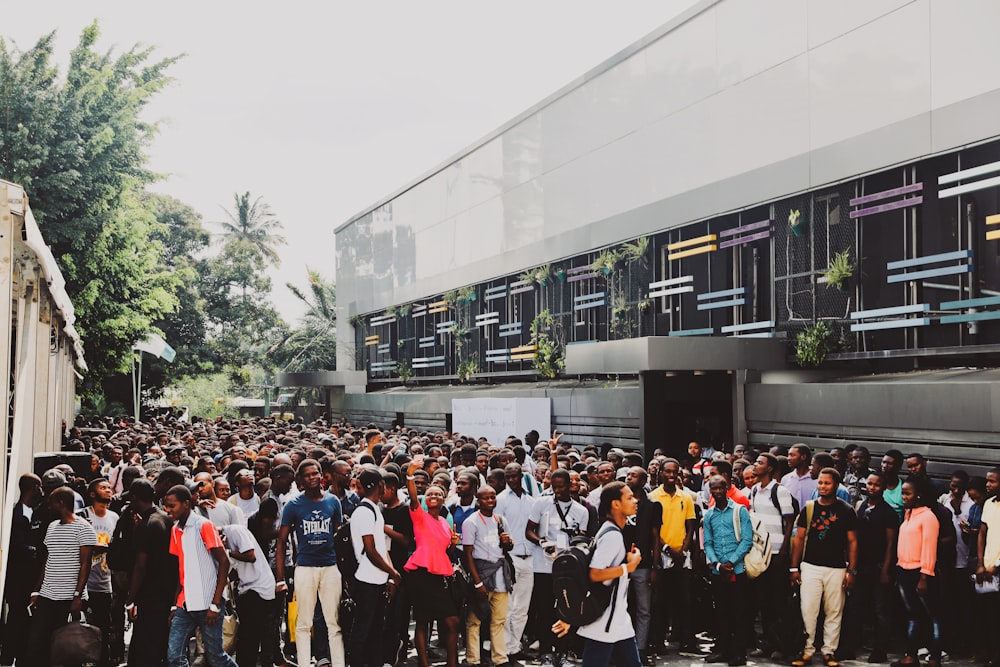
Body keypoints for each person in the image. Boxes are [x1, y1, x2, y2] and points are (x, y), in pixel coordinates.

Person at [551, 481, 642, 667]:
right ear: (616, 504)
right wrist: (628, 567)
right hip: (604, 623)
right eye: (629, 497)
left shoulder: (611, 531)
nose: (635, 501)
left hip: (618, 620)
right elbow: (595, 574)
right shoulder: (612, 536)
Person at [276, 459, 345, 667]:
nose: (313, 477)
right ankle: (305, 663)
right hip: (305, 568)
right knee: (304, 623)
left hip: (330, 567)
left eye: (316, 473)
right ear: (300, 480)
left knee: (334, 622)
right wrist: (280, 579)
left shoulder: (333, 501)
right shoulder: (293, 505)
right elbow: (282, 541)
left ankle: (339, 663)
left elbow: (338, 535)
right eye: (308, 475)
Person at [789, 468, 859, 667]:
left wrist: (851, 571)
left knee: (834, 611)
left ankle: (829, 651)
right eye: (820, 483)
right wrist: (793, 569)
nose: (822, 486)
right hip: (810, 567)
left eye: (827, 483)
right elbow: (799, 538)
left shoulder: (846, 510)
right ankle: (806, 650)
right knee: (808, 610)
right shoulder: (809, 508)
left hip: (836, 569)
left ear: (836, 485)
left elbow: (853, 542)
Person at [162, 484, 237, 667]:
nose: (167, 510)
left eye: (172, 506)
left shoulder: (203, 525)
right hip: (185, 604)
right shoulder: (175, 530)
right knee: (174, 656)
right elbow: (181, 568)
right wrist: (174, 604)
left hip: (208, 603)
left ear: (186, 504)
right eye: (166, 506)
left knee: (216, 657)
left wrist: (215, 603)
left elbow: (224, 562)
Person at [26, 486, 99, 667]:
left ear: (61, 503)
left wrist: (77, 595)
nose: (49, 506)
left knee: (67, 646)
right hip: (47, 594)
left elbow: (85, 564)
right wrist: (37, 591)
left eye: (52, 502)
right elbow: (48, 559)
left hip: (69, 597)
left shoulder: (83, 528)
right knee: (38, 641)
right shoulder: (51, 527)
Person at [526, 468, 590, 667]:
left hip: (568, 569)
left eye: (561, 487)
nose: (557, 491)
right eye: (554, 487)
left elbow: (583, 539)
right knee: (544, 610)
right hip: (544, 566)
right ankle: (546, 652)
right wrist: (542, 542)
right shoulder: (541, 503)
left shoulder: (581, 511)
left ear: (570, 485)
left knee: (565, 611)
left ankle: (562, 653)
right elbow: (529, 531)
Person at [404, 455, 462, 667]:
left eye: (438, 493)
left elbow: (446, 553)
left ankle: (452, 663)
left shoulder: (446, 523)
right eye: (430, 493)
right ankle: (425, 664)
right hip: (421, 574)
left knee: (452, 621)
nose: (434, 496)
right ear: (425, 499)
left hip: (440, 576)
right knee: (422, 621)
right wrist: (410, 474)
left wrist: (454, 543)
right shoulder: (419, 516)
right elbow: (412, 496)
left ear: (444, 498)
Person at [840, 472, 897, 663]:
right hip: (860, 566)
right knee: (854, 607)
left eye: (876, 485)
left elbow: (890, 543)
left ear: (883, 487)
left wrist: (886, 569)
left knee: (880, 610)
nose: (872, 487)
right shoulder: (860, 505)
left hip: (879, 566)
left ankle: (879, 650)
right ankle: (849, 647)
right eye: (870, 484)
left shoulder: (888, 513)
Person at [349, 467, 401, 667]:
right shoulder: (363, 511)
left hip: (378, 578)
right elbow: (370, 550)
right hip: (366, 579)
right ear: (380, 485)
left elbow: (381, 546)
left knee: (376, 628)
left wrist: (389, 575)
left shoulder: (374, 510)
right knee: (363, 628)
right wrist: (393, 572)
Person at [648, 458, 699, 656]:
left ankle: (687, 643)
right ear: (660, 473)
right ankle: (657, 642)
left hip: (682, 557)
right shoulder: (653, 497)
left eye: (674, 472)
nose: (671, 475)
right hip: (661, 555)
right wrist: (668, 549)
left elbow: (691, 526)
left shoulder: (685, 497)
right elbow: (653, 530)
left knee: (685, 601)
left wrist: (683, 551)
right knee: (660, 602)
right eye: (667, 471)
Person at [748, 453, 797, 661]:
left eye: (760, 463)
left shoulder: (780, 491)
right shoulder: (753, 490)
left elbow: (789, 523)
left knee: (778, 603)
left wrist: (784, 551)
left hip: (777, 555)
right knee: (763, 602)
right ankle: (767, 643)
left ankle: (782, 646)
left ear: (769, 469)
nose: (755, 465)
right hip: (761, 555)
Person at [702, 474, 753, 666]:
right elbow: (707, 543)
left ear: (727, 489)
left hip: (737, 570)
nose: (717, 492)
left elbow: (747, 540)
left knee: (739, 613)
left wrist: (731, 562)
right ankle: (723, 650)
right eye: (713, 489)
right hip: (718, 572)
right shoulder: (709, 515)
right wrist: (717, 564)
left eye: (720, 488)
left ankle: (739, 654)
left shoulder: (740, 511)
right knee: (721, 612)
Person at [125, 479, 175, 667]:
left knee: (147, 645)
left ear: (135, 498)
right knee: (159, 643)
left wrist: (131, 598)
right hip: (166, 590)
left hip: (150, 595)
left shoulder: (146, 525)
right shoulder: (165, 518)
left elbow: (140, 566)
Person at [463, 485, 514, 667]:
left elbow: (508, 548)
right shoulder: (471, 522)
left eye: (493, 497)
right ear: (478, 500)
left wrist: (508, 543)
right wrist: (477, 583)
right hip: (482, 574)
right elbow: (468, 554)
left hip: (500, 575)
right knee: (474, 621)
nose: (491, 501)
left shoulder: (500, 520)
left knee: (499, 620)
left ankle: (500, 659)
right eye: (486, 498)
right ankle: (473, 660)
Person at [894, 479, 941, 667]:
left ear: (918, 495)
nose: (903, 497)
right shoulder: (908, 514)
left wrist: (924, 577)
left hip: (921, 573)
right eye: (903, 493)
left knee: (934, 616)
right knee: (913, 615)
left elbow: (929, 549)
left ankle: (935, 657)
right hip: (904, 571)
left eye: (907, 494)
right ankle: (911, 656)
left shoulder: (928, 517)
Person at [0, 473, 42, 666]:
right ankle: (9, 656)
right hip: (18, 577)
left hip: (27, 576)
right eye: (39, 486)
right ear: (34, 487)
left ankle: (20, 654)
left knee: (23, 617)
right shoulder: (17, 513)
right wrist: (34, 551)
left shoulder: (33, 511)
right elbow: (16, 545)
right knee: (17, 615)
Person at [222, 521, 277, 667]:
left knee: (250, 637)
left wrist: (226, 552)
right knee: (248, 637)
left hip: (259, 588)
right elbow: (234, 573)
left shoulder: (236, 531)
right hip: (246, 589)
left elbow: (251, 556)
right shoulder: (223, 545)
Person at [78, 478, 120, 667]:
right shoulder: (83, 516)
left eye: (109, 488)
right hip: (84, 583)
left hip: (105, 582)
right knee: (81, 626)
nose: (108, 490)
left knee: (104, 627)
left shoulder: (114, 517)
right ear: (92, 494)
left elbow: (117, 545)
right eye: (103, 488)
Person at [497, 462, 536, 659]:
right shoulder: (500, 500)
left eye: (514, 476)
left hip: (530, 557)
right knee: (508, 607)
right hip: (510, 559)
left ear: (521, 476)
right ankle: (504, 649)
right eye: (508, 477)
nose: (512, 480)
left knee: (522, 608)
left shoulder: (531, 500)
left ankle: (515, 647)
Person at [624, 466, 661, 666]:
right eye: (628, 475)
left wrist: (655, 567)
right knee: (622, 607)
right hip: (620, 565)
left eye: (634, 475)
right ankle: (622, 649)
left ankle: (640, 649)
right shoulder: (621, 503)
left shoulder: (652, 505)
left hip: (644, 565)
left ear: (644, 480)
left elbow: (656, 538)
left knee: (644, 610)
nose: (629, 478)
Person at [975, 467, 1000, 667]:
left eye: (992, 481)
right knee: (985, 614)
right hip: (986, 568)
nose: (987, 485)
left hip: (997, 569)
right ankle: (986, 650)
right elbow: (982, 533)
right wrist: (980, 563)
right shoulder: (988, 504)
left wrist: (996, 566)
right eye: (987, 481)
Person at [782, 445, 818, 511]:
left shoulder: (817, 480)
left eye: (792, 455)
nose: (788, 458)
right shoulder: (786, 479)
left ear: (803, 457)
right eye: (788, 455)